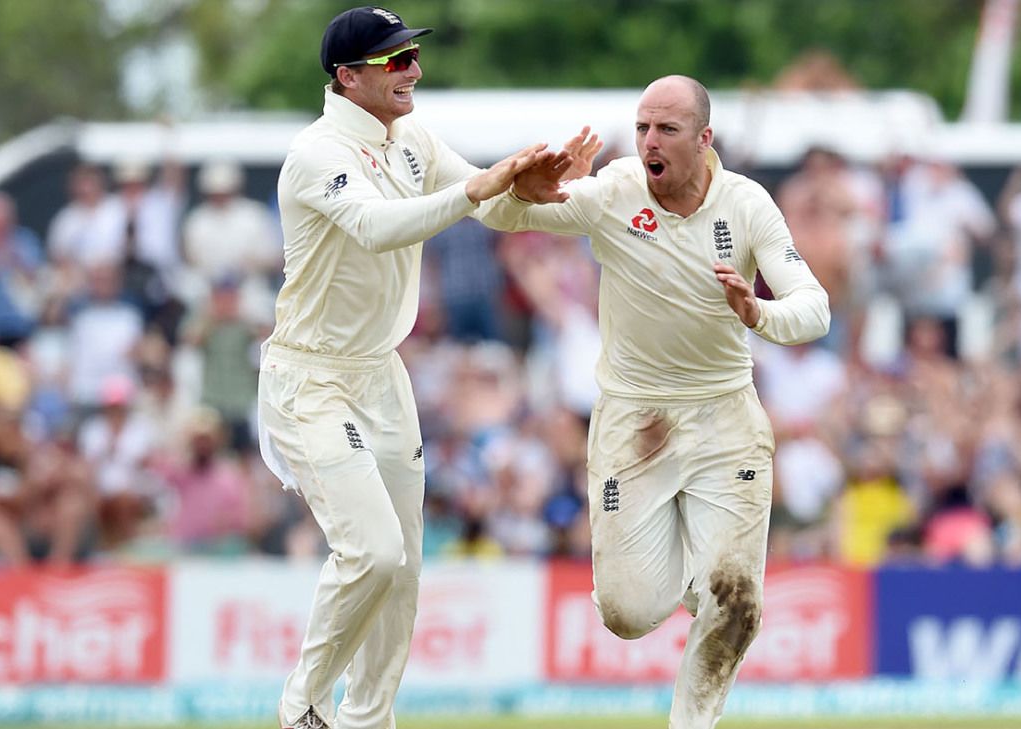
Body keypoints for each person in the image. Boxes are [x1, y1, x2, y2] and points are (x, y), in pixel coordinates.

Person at [255, 7, 561, 729]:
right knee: (374, 552)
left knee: (406, 570)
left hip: (380, 375)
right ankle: (301, 704)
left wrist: (549, 194)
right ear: (347, 76)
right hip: (312, 376)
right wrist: (476, 192)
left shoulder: (410, 137)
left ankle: (367, 720)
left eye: (413, 56)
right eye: (395, 62)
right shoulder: (317, 151)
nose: (413, 71)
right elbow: (373, 224)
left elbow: (492, 207)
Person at [495, 75, 831, 728]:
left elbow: (813, 308)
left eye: (666, 129)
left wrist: (757, 311)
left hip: (725, 415)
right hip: (635, 421)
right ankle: (683, 569)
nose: (649, 141)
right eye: (642, 126)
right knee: (626, 614)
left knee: (738, 600)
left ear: (703, 140)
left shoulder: (747, 204)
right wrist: (520, 190)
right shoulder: (614, 191)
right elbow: (504, 216)